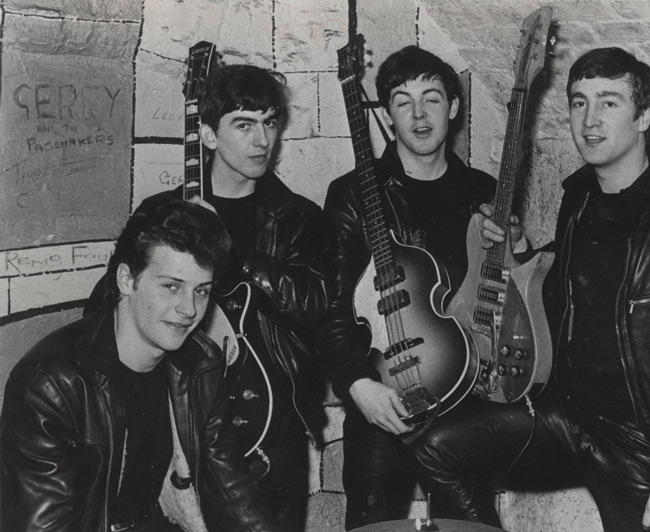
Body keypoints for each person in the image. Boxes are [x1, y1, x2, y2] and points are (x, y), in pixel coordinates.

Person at [411, 47, 650, 532]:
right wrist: (521, 253)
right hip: (568, 420)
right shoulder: (577, 198)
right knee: (437, 447)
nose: (589, 120)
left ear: (644, 116)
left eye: (609, 102)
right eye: (579, 102)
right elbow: (574, 290)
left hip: (646, 449)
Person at [87, 64, 329, 531]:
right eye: (244, 124)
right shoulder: (160, 212)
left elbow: (314, 305)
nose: (262, 141)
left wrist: (230, 252)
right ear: (208, 135)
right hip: (174, 415)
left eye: (270, 122)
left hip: (271, 424)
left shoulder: (298, 217)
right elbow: (102, 307)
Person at [320, 45, 533, 530]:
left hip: (466, 397)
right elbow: (332, 310)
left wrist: (517, 251)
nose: (418, 115)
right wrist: (358, 387)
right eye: (402, 100)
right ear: (387, 114)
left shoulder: (483, 192)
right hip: (381, 395)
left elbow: (509, 303)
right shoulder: (352, 194)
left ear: (454, 108)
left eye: (432, 98)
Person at [0, 199, 278, 532]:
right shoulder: (51, 384)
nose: (189, 309)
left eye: (201, 291)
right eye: (171, 287)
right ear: (126, 280)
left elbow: (233, 490)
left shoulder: (199, 365)